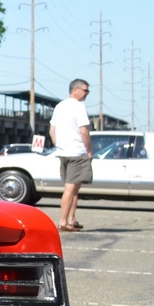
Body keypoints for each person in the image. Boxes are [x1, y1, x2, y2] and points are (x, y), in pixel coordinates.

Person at [49, 78, 92, 232]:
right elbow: (84, 131)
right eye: (85, 90)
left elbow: (52, 131)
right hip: (77, 152)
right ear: (75, 90)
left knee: (74, 188)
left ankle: (71, 219)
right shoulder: (79, 106)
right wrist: (88, 149)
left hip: (64, 153)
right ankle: (63, 222)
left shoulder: (59, 106)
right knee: (70, 188)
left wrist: (59, 146)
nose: (87, 93)